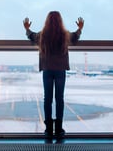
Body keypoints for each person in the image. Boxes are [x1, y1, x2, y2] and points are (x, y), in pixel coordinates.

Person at [23, 11, 84, 139]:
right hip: (60, 69)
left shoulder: (43, 35)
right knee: (59, 99)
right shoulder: (64, 35)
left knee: (48, 99)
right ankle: (59, 128)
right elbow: (75, 37)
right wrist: (79, 28)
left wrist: (27, 29)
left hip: (47, 69)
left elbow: (32, 36)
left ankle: (49, 129)